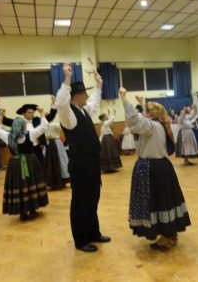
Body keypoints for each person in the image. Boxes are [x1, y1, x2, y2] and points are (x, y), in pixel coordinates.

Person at [119, 86, 191, 250]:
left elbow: (135, 121)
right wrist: (143, 103)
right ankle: (170, 233)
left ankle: (166, 236)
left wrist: (124, 100)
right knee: (165, 201)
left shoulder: (151, 126)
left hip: (152, 168)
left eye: (146, 110)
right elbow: (142, 119)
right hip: (163, 167)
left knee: (158, 202)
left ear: (151, 114)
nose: (144, 112)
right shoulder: (161, 124)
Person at [55, 63, 110, 253]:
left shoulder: (84, 110)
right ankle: (81, 239)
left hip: (92, 163)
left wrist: (98, 85)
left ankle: (93, 232)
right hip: (80, 164)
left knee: (93, 198)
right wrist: (67, 78)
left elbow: (94, 101)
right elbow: (61, 103)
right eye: (84, 94)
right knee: (81, 201)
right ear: (77, 96)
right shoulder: (68, 115)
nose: (87, 97)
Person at [0, 108, 49, 221]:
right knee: (31, 183)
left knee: (19, 185)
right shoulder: (30, 135)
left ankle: (22, 212)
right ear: (23, 126)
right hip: (30, 162)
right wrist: (42, 112)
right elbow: (44, 126)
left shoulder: (8, 136)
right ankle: (32, 209)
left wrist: (1, 116)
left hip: (15, 164)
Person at [0, 96, 58, 168]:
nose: (32, 114)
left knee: (40, 168)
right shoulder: (17, 123)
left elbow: (51, 116)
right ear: (23, 113)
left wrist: (54, 104)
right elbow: (4, 120)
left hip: (36, 149)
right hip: (22, 151)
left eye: (33, 112)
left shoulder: (37, 120)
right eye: (29, 112)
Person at [43, 122, 70, 190]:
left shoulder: (51, 124)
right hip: (52, 143)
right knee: (58, 161)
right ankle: (56, 182)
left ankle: (58, 181)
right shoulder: (47, 125)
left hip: (52, 143)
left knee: (59, 161)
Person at [98, 109, 122, 173]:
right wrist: (114, 113)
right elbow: (110, 121)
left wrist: (108, 113)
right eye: (106, 116)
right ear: (103, 118)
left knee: (109, 152)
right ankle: (109, 167)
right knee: (109, 152)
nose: (107, 116)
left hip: (107, 138)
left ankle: (109, 167)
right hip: (107, 139)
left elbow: (108, 120)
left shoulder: (103, 123)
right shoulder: (105, 123)